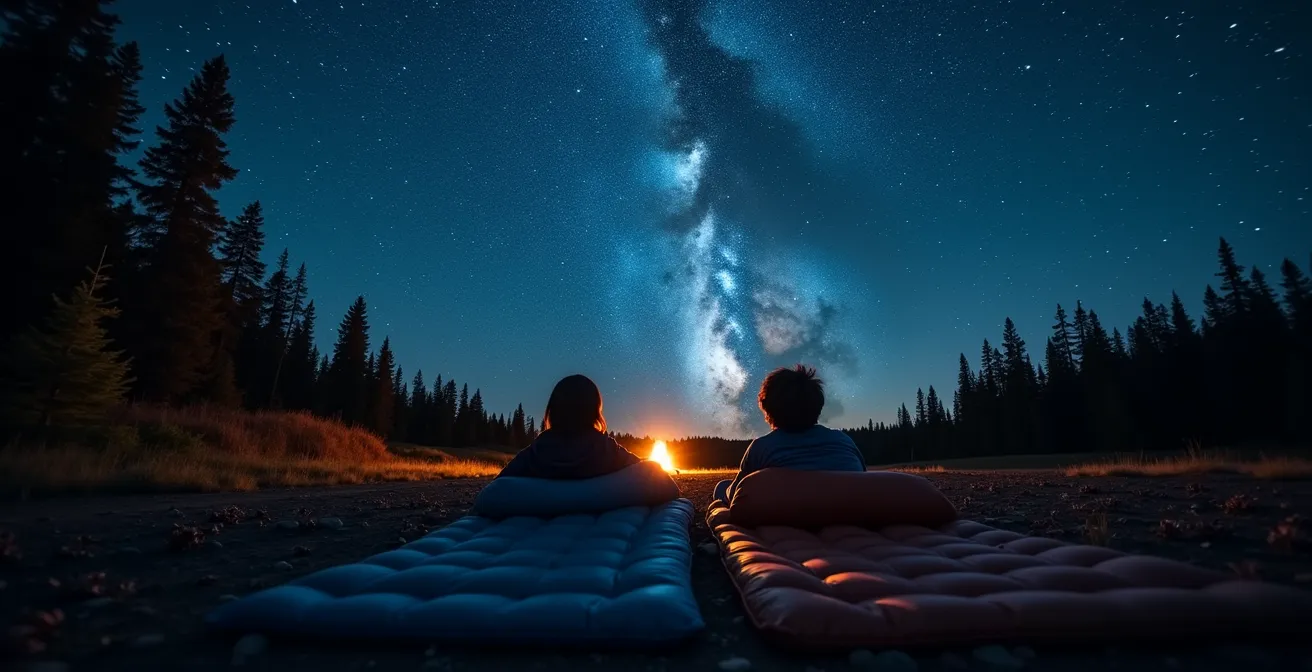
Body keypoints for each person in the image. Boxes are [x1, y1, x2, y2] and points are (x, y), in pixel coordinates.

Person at [714, 364, 866, 502]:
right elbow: (864, 479)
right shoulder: (843, 441)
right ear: (818, 405)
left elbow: (736, 495)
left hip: (787, 516)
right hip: (844, 512)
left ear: (767, 407)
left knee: (723, 488)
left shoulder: (761, 448)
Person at [496, 374, 645, 480]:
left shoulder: (537, 450)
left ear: (553, 409)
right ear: (594, 410)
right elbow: (651, 474)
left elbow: (497, 486)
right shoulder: (607, 448)